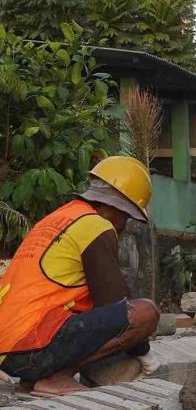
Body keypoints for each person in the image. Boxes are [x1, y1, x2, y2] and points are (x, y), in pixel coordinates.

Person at [0, 156, 160, 397]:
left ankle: (33, 379)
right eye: (127, 216)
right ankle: (56, 377)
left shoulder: (59, 218)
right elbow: (116, 304)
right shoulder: (96, 226)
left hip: (10, 348)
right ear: (117, 206)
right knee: (145, 313)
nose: (123, 225)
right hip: (31, 347)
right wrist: (142, 350)